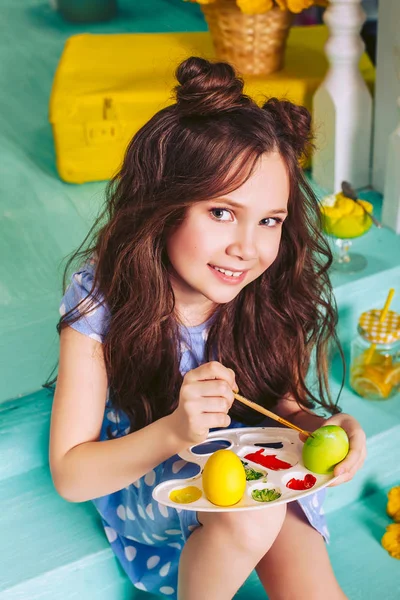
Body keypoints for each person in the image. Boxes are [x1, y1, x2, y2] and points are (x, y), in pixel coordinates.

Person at [49, 56, 367, 600]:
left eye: (269, 220)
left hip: (256, 469)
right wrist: (175, 430)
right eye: (222, 212)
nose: (248, 247)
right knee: (251, 518)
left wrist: (322, 429)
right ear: (164, 206)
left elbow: (284, 407)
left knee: (308, 575)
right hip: (154, 481)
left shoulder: (263, 286)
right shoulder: (103, 298)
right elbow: (72, 475)